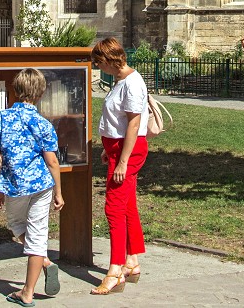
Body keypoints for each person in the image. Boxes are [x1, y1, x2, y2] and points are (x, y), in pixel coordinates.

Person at [0, 67, 64, 307]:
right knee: (38, 235)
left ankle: (32, 282)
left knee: (17, 225)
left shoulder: (1, 118)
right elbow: (52, 161)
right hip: (41, 185)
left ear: (15, 90)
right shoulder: (43, 124)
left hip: (14, 185)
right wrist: (59, 192)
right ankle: (36, 276)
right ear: (41, 94)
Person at [89, 36, 149, 295]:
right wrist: (109, 149)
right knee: (127, 206)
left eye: (98, 62)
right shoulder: (120, 81)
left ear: (108, 60)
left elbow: (134, 124)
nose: (97, 67)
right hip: (118, 150)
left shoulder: (132, 83)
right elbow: (117, 120)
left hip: (129, 152)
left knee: (113, 208)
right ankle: (132, 261)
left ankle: (115, 271)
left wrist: (122, 160)